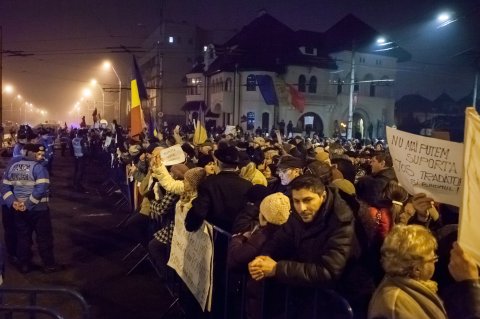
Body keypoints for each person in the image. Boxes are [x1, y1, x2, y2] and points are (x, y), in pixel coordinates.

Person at [248, 175, 356, 318]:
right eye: (296, 201)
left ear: (322, 196)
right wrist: (264, 258)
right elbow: (280, 239)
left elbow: (328, 271)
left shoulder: (341, 222)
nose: (301, 208)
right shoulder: (297, 213)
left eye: (308, 200)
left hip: (328, 305)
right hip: (302, 296)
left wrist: (277, 268)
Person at [1, 144, 62, 273]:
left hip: (19, 210)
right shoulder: (39, 168)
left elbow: (5, 187)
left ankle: (24, 264)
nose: (41, 157)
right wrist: (28, 204)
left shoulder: (12, 167)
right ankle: (49, 265)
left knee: (23, 237)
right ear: (30, 153)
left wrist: (14, 203)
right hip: (39, 210)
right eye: (38, 154)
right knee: (44, 237)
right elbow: (41, 189)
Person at [368, 224, 447, 319]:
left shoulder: (407, 288)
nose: (435, 262)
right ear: (417, 269)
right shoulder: (395, 304)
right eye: (433, 259)